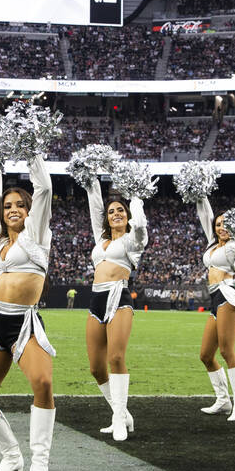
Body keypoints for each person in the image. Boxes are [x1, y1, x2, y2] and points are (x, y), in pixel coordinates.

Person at [0, 154, 57, 471]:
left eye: (20, 205)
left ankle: (40, 465)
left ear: (29, 209)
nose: (13, 210)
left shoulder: (35, 234)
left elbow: (46, 187)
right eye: (8, 205)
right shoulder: (0, 242)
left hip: (24, 324)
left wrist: (32, 150)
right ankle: (11, 456)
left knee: (44, 384)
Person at [83, 179, 149, 441]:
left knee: (116, 358)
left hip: (119, 298)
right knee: (96, 369)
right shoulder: (101, 241)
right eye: (111, 212)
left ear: (127, 215)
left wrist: (135, 196)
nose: (115, 214)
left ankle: (119, 419)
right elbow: (94, 208)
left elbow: (141, 225)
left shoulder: (134, 240)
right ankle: (121, 413)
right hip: (96, 300)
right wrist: (91, 183)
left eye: (120, 210)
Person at [193, 196, 235, 422]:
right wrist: (202, 194)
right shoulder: (212, 243)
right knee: (206, 355)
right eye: (218, 224)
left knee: (227, 351)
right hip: (214, 297)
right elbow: (204, 213)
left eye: (226, 224)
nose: (221, 227)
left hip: (227, 295)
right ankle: (223, 400)